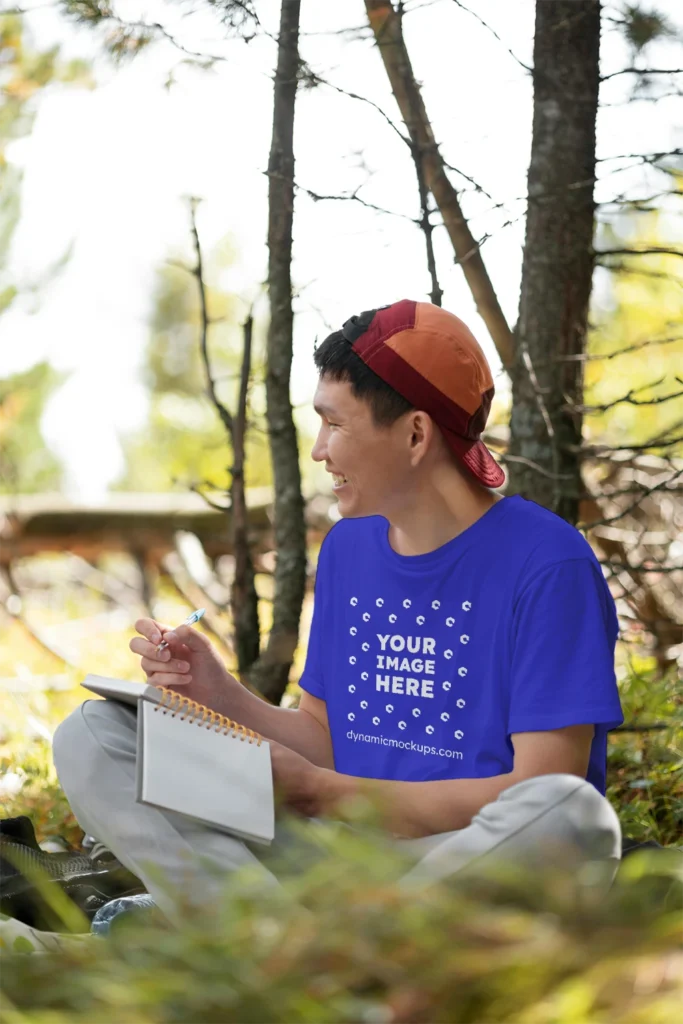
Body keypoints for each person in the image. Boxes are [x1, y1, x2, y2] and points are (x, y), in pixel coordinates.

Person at [53, 299, 624, 917]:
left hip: (461, 860)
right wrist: (219, 694)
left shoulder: (547, 563)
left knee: (568, 815)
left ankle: (277, 946)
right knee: (93, 737)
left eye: (335, 424)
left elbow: (539, 788)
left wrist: (327, 795)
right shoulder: (350, 549)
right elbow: (327, 739)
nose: (320, 449)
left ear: (415, 434)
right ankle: (283, 943)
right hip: (336, 854)